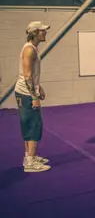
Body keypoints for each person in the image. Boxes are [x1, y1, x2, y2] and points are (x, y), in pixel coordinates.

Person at [14, 21, 51, 173]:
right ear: (35, 33)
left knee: (29, 124)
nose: (45, 33)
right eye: (42, 31)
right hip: (26, 93)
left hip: (25, 91)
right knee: (35, 125)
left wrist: (39, 86)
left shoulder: (32, 48)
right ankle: (30, 162)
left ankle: (29, 156)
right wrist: (34, 96)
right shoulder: (30, 50)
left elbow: (29, 75)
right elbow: (27, 76)